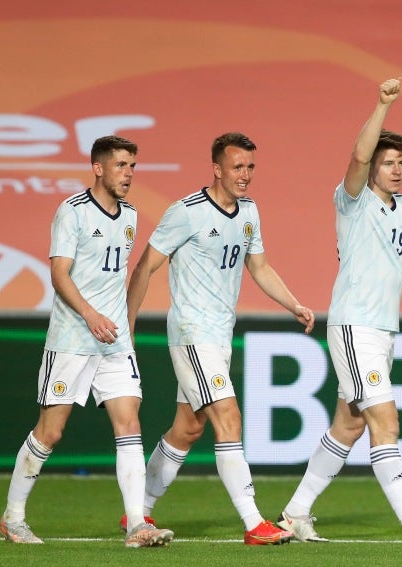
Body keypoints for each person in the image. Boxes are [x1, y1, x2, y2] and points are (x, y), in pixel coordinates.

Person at [275, 77, 402, 545]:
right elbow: (358, 157)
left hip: (383, 331)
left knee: (350, 423)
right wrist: (382, 105)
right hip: (353, 326)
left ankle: (295, 512)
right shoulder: (353, 200)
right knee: (386, 421)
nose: (397, 169)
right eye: (389, 162)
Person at [124, 132, 315, 545]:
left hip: (219, 337)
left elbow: (260, 268)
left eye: (250, 167)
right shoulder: (186, 212)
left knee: (188, 428)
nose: (245, 176)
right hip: (193, 333)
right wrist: (128, 327)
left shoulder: (249, 212)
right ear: (216, 168)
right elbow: (144, 268)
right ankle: (253, 523)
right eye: (237, 167)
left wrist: (293, 304)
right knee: (228, 417)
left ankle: (137, 511)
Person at [0, 136, 174, 548]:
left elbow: (120, 278)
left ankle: (137, 525)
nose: (129, 173)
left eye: (132, 165)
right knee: (51, 433)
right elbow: (60, 274)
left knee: (129, 422)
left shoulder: (130, 215)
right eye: (121, 165)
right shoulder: (72, 212)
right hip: (73, 339)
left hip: (113, 343)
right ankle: (13, 517)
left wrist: (122, 326)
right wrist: (90, 315)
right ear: (98, 168)